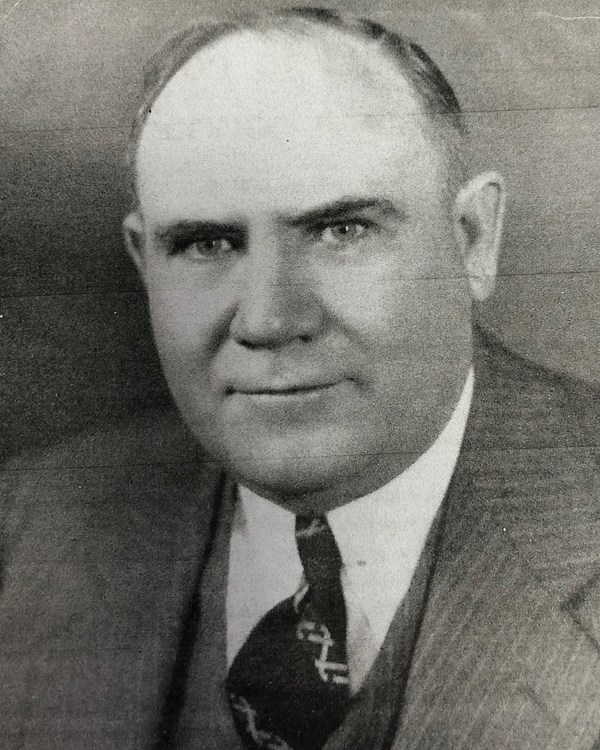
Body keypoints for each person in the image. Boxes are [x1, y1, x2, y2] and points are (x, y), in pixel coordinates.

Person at [1, 7, 600, 749]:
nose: (267, 320)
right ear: (143, 264)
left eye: (341, 231)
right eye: (206, 243)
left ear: (472, 240)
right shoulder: (31, 524)